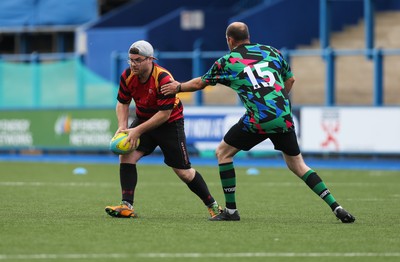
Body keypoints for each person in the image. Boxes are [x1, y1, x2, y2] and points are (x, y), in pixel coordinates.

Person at [160, 22, 355, 223]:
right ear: (248, 36)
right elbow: (291, 80)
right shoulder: (272, 52)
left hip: (259, 120)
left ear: (229, 40)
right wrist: (276, 100)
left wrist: (178, 87)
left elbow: (200, 83)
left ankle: (231, 211)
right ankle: (336, 206)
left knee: (223, 153)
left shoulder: (227, 61)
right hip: (283, 116)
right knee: (298, 165)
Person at [105, 40, 221, 219]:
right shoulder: (127, 75)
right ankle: (126, 205)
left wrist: (137, 131)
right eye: (131, 60)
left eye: (138, 60)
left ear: (150, 59)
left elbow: (164, 115)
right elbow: (122, 102)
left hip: (169, 124)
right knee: (126, 154)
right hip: (144, 119)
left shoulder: (163, 78)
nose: (133, 64)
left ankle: (213, 206)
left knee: (183, 172)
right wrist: (123, 126)